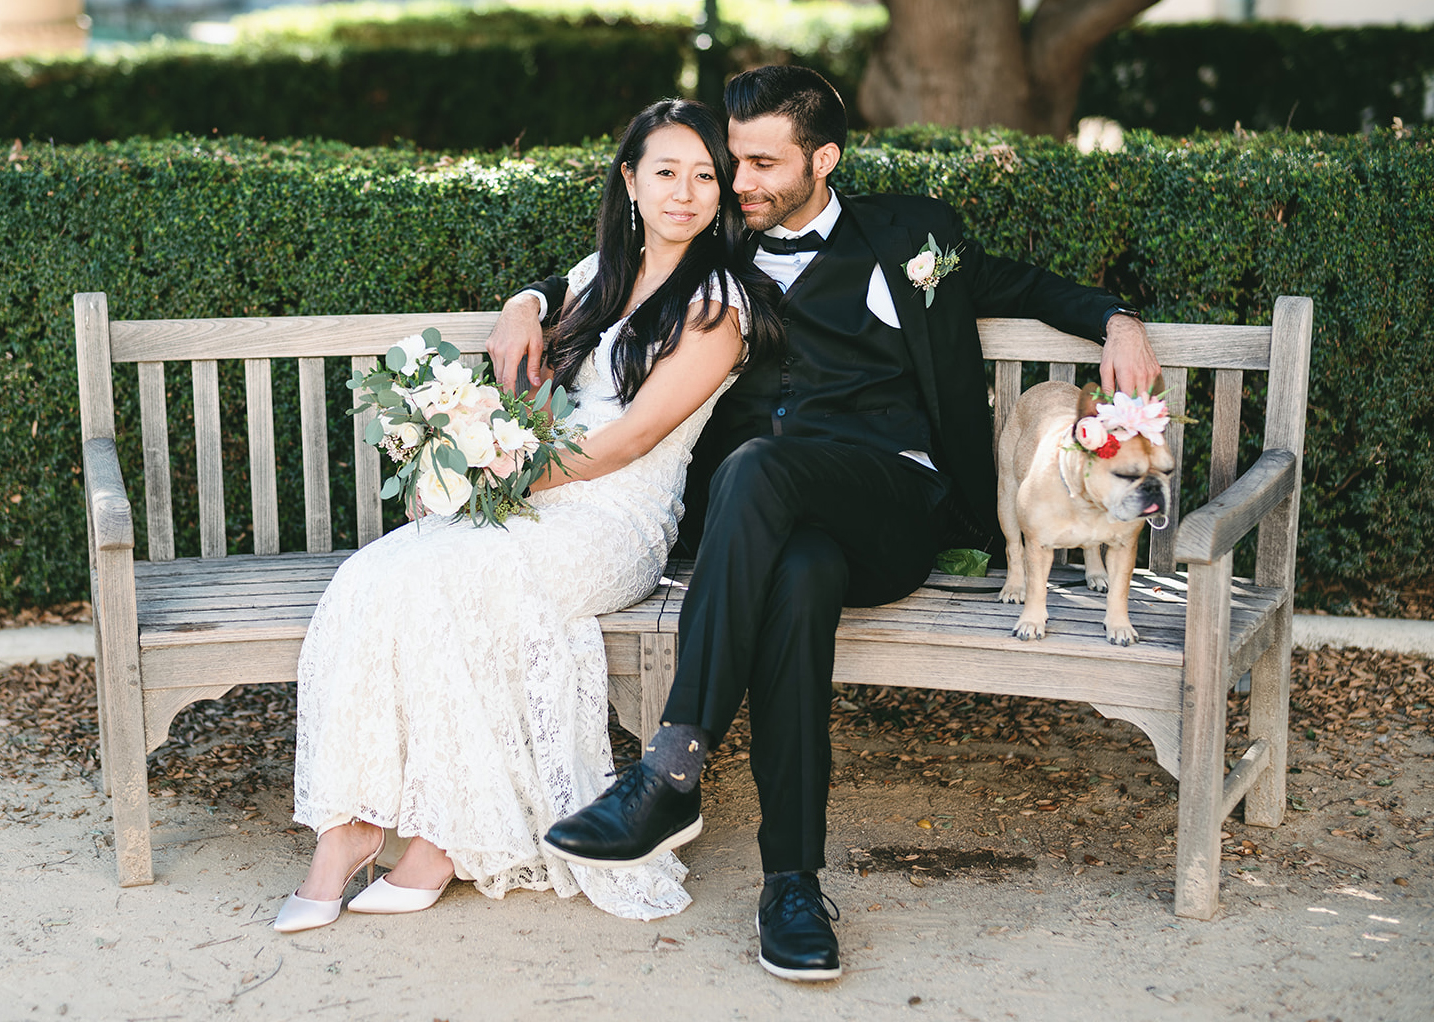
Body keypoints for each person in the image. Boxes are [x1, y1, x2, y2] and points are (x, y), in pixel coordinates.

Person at [486, 66, 1161, 981]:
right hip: (766, 526)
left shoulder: (913, 236)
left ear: (825, 159)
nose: (740, 181)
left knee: (759, 467)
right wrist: (527, 298)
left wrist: (1116, 319)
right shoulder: (717, 234)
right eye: (734, 162)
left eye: (763, 163)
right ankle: (792, 886)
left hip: (890, 504)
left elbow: (1028, 282)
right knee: (795, 577)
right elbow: (615, 264)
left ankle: (670, 770)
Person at [274, 97, 781, 933]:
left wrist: (503, 469)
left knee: (462, 583)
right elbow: (542, 332)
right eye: (665, 172)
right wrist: (519, 315)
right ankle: (351, 828)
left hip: (614, 518)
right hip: (533, 496)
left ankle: (438, 840)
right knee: (374, 577)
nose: (684, 193)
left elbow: (630, 440)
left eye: (704, 177)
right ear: (629, 181)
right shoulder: (597, 276)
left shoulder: (718, 304)